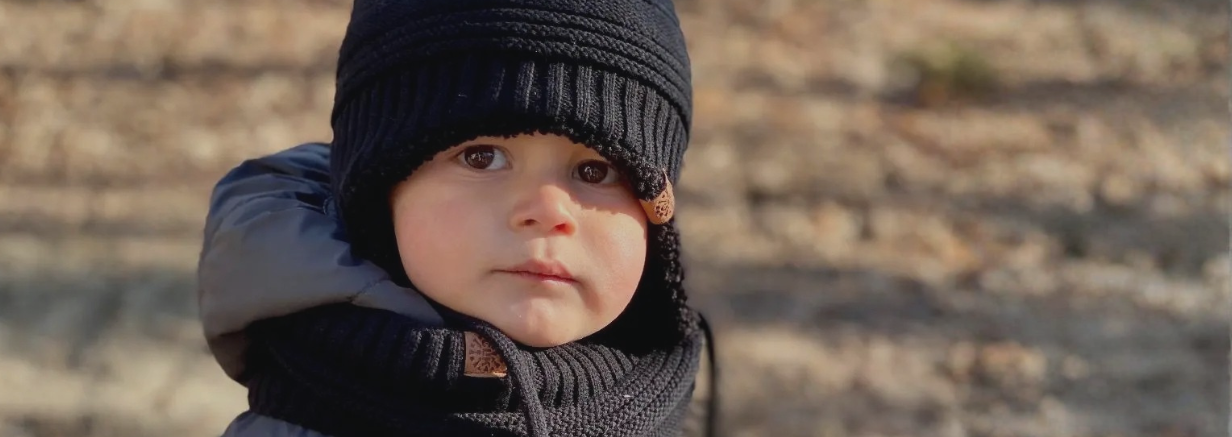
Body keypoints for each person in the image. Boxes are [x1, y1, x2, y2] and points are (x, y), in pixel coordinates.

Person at [197, 0, 717, 436]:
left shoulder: (659, 400)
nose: (548, 211)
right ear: (380, 189)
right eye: (482, 157)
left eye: (596, 170)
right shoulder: (304, 416)